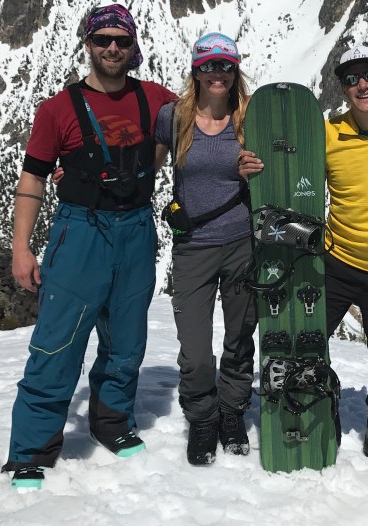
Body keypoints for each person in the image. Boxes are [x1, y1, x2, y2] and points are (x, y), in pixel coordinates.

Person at [238, 45, 368, 465]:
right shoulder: (328, 135)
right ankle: (313, 409)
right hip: (335, 264)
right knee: (308, 346)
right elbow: (288, 169)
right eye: (351, 79)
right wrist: (250, 167)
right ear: (343, 89)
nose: (362, 85)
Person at [2, 4, 177, 489]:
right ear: (88, 44)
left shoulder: (156, 99)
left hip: (136, 230)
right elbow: (33, 178)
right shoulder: (57, 109)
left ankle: (111, 422)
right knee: (57, 342)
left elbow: (198, 120)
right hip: (80, 231)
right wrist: (21, 248)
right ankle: (31, 450)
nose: (112, 48)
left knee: (126, 339)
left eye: (121, 40)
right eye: (103, 40)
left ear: (133, 45)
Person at [154, 32, 257, 466]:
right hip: (193, 246)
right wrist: (78, 174)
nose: (218, 74)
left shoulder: (251, 117)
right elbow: (143, 168)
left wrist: (257, 171)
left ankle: (231, 411)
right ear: (196, 71)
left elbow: (280, 166)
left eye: (226, 65)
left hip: (241, 243)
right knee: (195, 350)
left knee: (240, 337)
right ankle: (202, 416)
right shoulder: (173, 118)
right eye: (209, 66)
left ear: (235, 70)